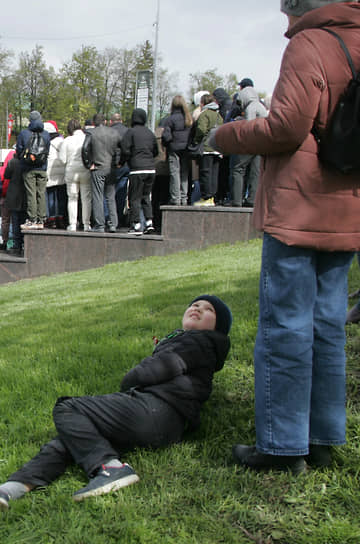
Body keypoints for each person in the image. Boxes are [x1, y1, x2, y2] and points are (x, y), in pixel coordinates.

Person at [211, 0, 360, 474]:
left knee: (286, 329)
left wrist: (227, 135)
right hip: (346, 202)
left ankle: (282, 447)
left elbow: (287, 126)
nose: (284, 20)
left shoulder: (309, 42)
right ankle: (321, 439)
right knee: (327, 327)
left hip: (299, 205)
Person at [0, 295, 232, 508]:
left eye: (209, 310)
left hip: (156, 412)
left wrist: (133, 377)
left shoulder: (201, 342)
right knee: (71, 439)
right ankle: (10, 489)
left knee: (68, 407)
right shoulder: (191, 343)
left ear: (217, 328)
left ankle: (110, 469)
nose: (198, 308)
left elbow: (155, 370)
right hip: (158, 421)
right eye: (195, 305)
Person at [229, 83, 268, 207]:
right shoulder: (261, 107)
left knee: (237, 169)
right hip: (261, 144)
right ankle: (252, 199)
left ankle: (236, 200)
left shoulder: (250, 108)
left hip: (250, 143)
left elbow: (249, 128)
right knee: (255, 172)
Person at [121, 108, 159, 235]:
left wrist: (123, 162)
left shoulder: (130, 132)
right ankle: (149, 223)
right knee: (146, 196)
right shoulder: (150, 133)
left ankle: (136, 224)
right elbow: (156, 151)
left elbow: (125, 150)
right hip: (151, 169)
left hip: (137, 169)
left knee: (134, 197)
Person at [16, 111, 51, 229]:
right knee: (41, 193)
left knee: (31, 193)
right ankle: (41, 220)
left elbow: (19, 150)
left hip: (28, 168)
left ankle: (32, 219)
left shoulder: (24, 133)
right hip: (42, 168)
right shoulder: (46, 134)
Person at [89, 113, 123, 232]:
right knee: (111, 196)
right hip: (111, 168)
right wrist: (118, 162)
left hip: (98, 167)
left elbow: (84, 149)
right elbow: (123, 147)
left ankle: (100, 225)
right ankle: (113, 223)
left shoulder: (91, 133)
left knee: (98, 196)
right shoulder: (114, 133)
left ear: (94, 123)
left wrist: (89, 164)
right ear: (105, 121)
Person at [161, 96, 193, 206]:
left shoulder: (170, 119)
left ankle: (175, 198)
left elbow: (166, 136)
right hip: (186, 149)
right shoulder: (188, 118)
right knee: (184, 173)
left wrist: (169, 143)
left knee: (175, 173)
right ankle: (184, 198)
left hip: (174, 148)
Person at [192, 94, 223, 207]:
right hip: (217, 149)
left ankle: (206, 197)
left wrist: (197, 139)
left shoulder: (204, 114)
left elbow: (201, 129)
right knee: (214, 174)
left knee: (205, 172)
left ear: (203, 103)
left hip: (206, 148)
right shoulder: (219, 116)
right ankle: (212, 197)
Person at [62, 119, 92, 231]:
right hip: (85, 170)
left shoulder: (67, 140)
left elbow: (62, 159)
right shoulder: (87, 138)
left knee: (72, 198)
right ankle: (87, 224)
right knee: (86, 198)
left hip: (71, 171)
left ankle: (73, 224)